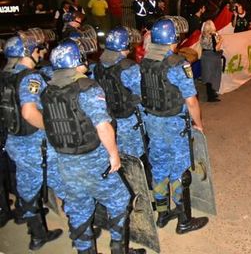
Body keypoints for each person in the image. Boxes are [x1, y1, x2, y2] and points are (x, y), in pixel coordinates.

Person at [41, 38, 145, 254]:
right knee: (119, 199)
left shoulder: (48, 90)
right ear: (77, 60)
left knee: (78, 209)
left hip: (64, 161)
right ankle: (119, 249)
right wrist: (114, 155)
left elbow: (48, 128)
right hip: (92, 159)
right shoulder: (86, 88)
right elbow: (103, 126)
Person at [140, 18, 208, 233]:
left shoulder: (145, 61)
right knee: (180, 172)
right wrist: (199, 124)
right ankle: (184, 221)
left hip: (152, 123)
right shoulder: (178, 64)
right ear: (173, 39)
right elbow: (191, 100)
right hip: (173, 124)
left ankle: (162, 214)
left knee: (159, 169)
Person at [0, 35, 64, 250]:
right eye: (38, 49)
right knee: (63, 183)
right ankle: (83, 228)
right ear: (29, 52)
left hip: (14, 141)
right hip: (36, 144)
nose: (41, 52)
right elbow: (29, 112)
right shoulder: (30, 78)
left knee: (27, 185)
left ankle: (36, 234)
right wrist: (51, 127)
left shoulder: (5, 75)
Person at [91, 27, 145, 159]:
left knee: (117, 153)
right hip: (129, 118)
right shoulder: (129, 67)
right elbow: (142, 93)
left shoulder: (97, 67)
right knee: (135, 156)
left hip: (109, 120)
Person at [200, 20, 224, 101]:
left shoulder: (202, 35)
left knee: (208, 76)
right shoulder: (212, 36)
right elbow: (216, 48)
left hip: (205, 56)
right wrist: (221, 40)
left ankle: (211, 94)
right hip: (212, 57)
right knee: (213, 76)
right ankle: (211, 96)